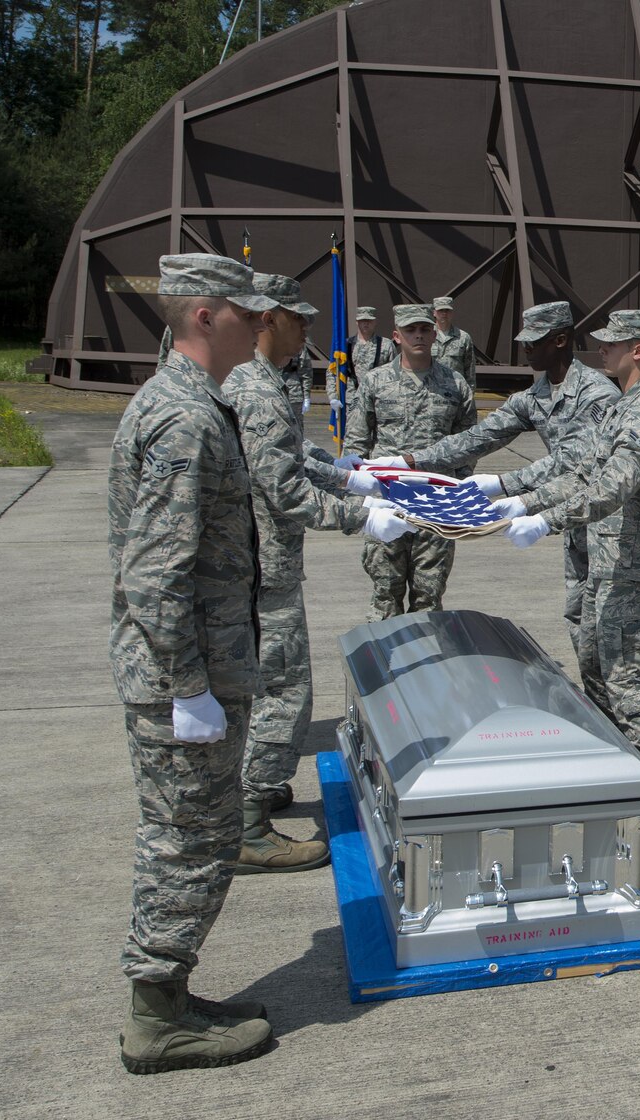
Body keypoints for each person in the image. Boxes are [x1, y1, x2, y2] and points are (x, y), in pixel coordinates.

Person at [110, 253, 279, 1072]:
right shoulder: (184, 419)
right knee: (188, 844)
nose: (263, 324)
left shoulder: (190, 404)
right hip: (189, 677)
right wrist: (188, 690)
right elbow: (155, 572)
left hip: (197, 668)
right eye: (248, 312)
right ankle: (155, 1016)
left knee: (189, 839)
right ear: (206, 316)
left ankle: (169, 995)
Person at [220, 272, 412, 874]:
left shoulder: (263, 383)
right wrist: (362, 516)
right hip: (261, 570)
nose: (310, 327)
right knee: (284, 692)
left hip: (264, 565)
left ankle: (259, 789)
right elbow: (281, 491)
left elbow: (292, 455)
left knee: (269, 686)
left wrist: (344, 472)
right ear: (268, 318)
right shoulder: (254, 389)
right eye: (299, 318)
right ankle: (250, 824)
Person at [492, 310, 640, 842]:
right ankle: (623, 772)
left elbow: (612, 487)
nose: (601, 351)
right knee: (595, 665)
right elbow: (580, 471)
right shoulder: (621, 407)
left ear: (639, 350)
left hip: (634, 564)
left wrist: (545, 520)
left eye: (612, 344)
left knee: (628, 678)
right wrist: (520, 504)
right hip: (605, 559)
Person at [379, 301, 621, 690]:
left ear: (560, 341)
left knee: (609, 627)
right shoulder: (538, 393)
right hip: (572, 522)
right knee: (579, 618)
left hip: (607, 523)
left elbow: (575, 460)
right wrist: (409, 460)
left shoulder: (596, 394)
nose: (525, 349)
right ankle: (602, 704)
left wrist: (503, 485)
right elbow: (479, 437)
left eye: (534, 342)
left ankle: (618, 710)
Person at [343, 304, 476, 618]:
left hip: (436, 503)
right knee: (385, 596)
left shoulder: (454, 384)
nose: (418, 335)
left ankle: (425, 662)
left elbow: (469, 442)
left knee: (429, 598)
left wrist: (455, 486)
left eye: (424, 329)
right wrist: (357, 502)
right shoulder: (375, 383)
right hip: (388, 501)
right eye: (410, 330)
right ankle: (386, 664)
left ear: (433, 334)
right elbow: (357, 443)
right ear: (396, 336)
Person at [430, 295, 477, 392]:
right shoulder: (427, 335)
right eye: (440, 310)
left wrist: (470, 393)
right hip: (431, 391)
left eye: (447, 310)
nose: (444, 313)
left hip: (456, 391)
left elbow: (470, 370)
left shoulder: (463, 337)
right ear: (434, 312)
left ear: (452, 313)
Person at [348, 305, 394, 387]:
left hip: (377, 394)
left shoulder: (387, 344)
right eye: (362, 320)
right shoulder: (346, 345)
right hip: (352, 395)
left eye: (369, 320)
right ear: (356, 322)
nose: (366, 323)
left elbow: (394, 372)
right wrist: (333, 397)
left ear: (375, 322)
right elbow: (333, 372)